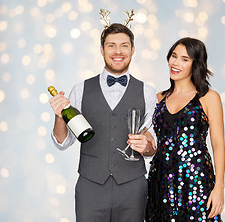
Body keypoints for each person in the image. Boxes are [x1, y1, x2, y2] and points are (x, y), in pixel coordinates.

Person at [49, 22, 157, 222]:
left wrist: (147, 147)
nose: (118, 51)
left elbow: (153, 145)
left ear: (133, 50)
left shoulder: (147, 92)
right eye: (111, 45)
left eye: (124, 45)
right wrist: (58, 117)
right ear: (102, 49)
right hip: (90, 187)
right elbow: (62, 143)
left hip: (132, 188)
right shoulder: (80, 89)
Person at [146, 37, 225, 221]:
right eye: (174, 56)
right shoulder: (158, 98)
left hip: (197, 182)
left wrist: (219, 187)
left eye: (185, 59)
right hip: (160, 182)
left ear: (195, 64)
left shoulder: (209, 97)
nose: (175, 63)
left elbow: (218, 144)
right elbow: (149, 138)